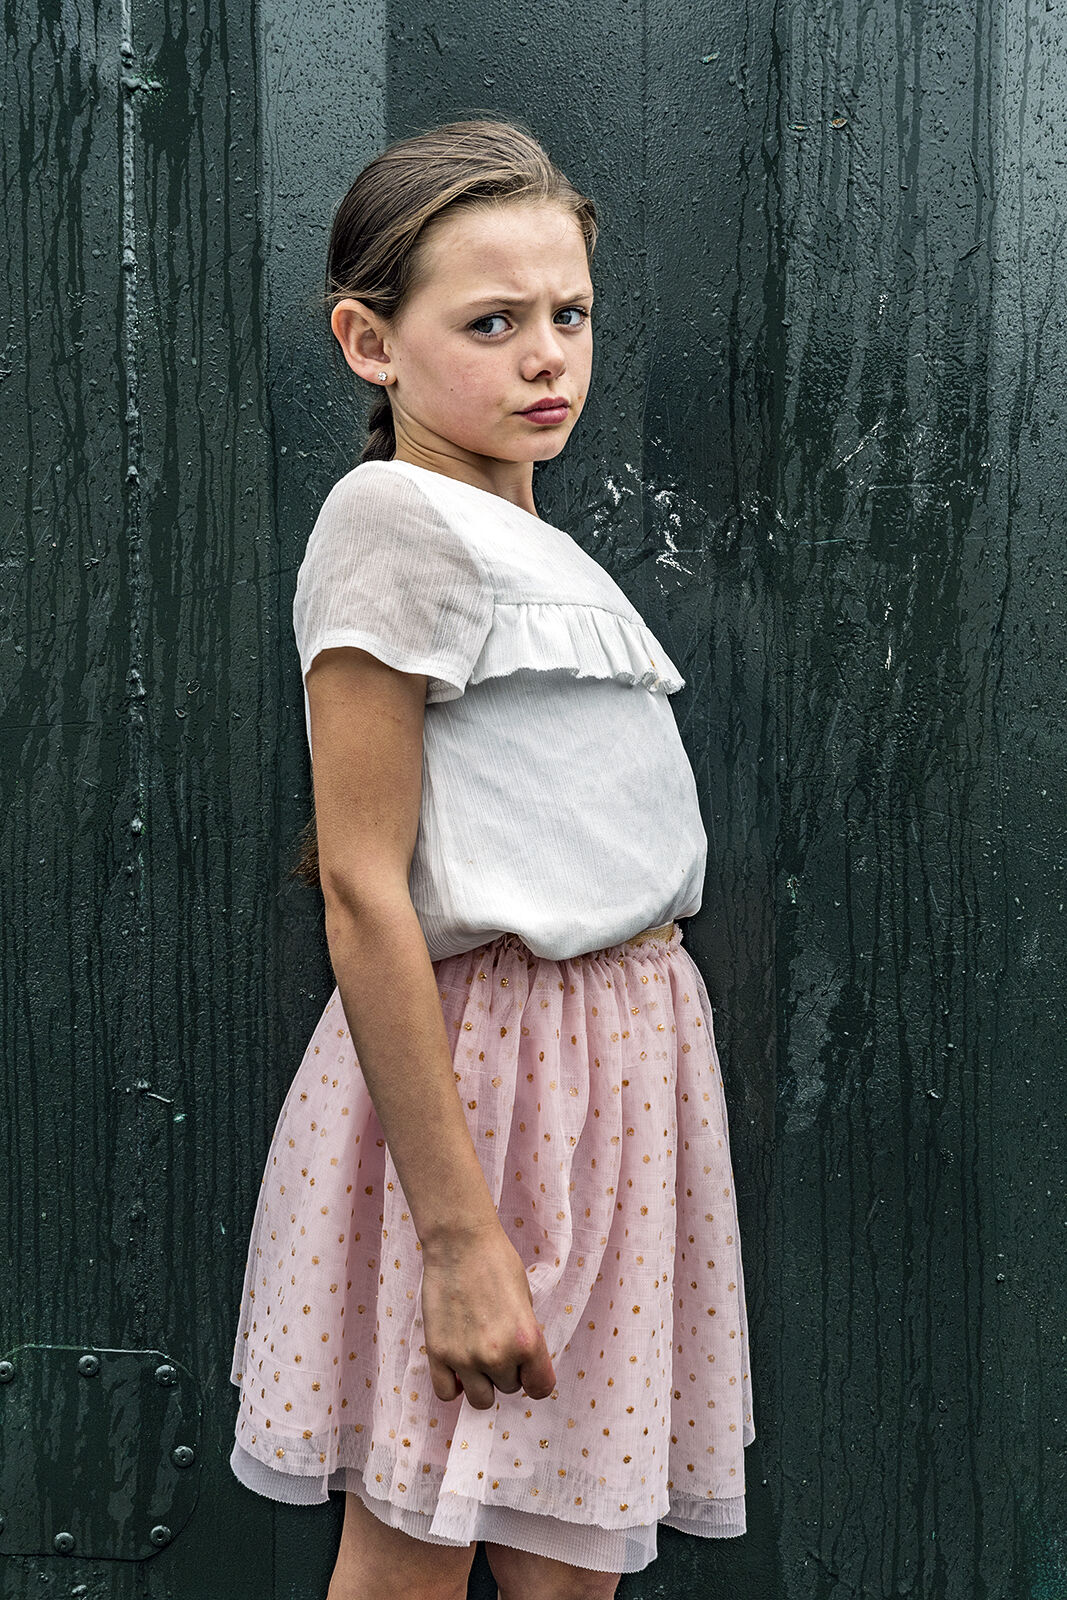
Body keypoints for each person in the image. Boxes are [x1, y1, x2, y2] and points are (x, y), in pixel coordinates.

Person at [228, 115, 755, 1600]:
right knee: (416, 1540)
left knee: (564, 1553)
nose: (548, 357)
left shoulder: (534, 544)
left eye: (570, 314)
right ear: (368, 341)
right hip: (491, 1089)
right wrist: (460, 1237)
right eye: (493, 321)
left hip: (622, 1077)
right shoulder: (391, 519)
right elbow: (361, 883)